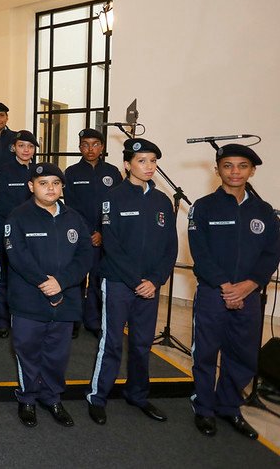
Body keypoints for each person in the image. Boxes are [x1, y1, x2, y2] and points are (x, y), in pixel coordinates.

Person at [188, 144, 280, 439]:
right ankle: (204, 408)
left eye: (242, 166)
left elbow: (272, 252)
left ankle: (229, 406)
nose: (235, 172)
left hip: (249, 295)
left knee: (243, 355)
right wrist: (227, 287)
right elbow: (200, 252)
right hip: (213, 293)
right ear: (217, 170)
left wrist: (250, 285)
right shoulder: (203, 207)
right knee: (205, 353)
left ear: (252, 171)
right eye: (228, 165)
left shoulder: (265, 211)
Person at [86, 138, 178, 426]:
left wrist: (155, 280)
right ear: (127, 165)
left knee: (141, 344)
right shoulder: (112, 198)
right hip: (118, 282)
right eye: (142, 161)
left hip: (150, 287)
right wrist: (137, 280)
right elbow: (111, 244)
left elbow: (171, 246)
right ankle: (98, 397)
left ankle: (137, 394)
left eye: (153, 161)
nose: (149, 166)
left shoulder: (162, 201)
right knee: (112, 342)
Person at [5, 163, 93, 428]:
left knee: (57, 354)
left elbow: (85, 255)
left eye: (55, 183)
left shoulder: (74, 218)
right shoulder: (18, 217)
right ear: (31, 186)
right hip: (29, 299)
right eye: (43, 183)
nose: (50, 188)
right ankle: (28, 398)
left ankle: (52, 397)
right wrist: (45, 283)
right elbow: (17, 256)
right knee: (27, 351)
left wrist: (61, 282)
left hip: (65, 300)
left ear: (62, 187)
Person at [63, 128, 122, 338]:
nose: (90, 149)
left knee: (98, 280)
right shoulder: (71, 172)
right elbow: (70, 206)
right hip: (80, 237)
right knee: (76, 280)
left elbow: (116, 207)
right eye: (86, 145)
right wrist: (88, 232)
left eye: (95, 144)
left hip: (105, 237)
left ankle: (94, 321)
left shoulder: (113, 173)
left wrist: (102, 232)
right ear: (80, 147)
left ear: (102, 147)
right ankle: (73, 321)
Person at [0, 129, 38, 339]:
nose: (26, 150)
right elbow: (2, 204)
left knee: (31, 275)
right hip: (9, 230)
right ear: (13, 148)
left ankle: (27, 317)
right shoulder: (4, 170)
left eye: (30, 146)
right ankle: (2, 320)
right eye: (21, 146)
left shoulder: (39, 171)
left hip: (36, 232)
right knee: (6, 276)